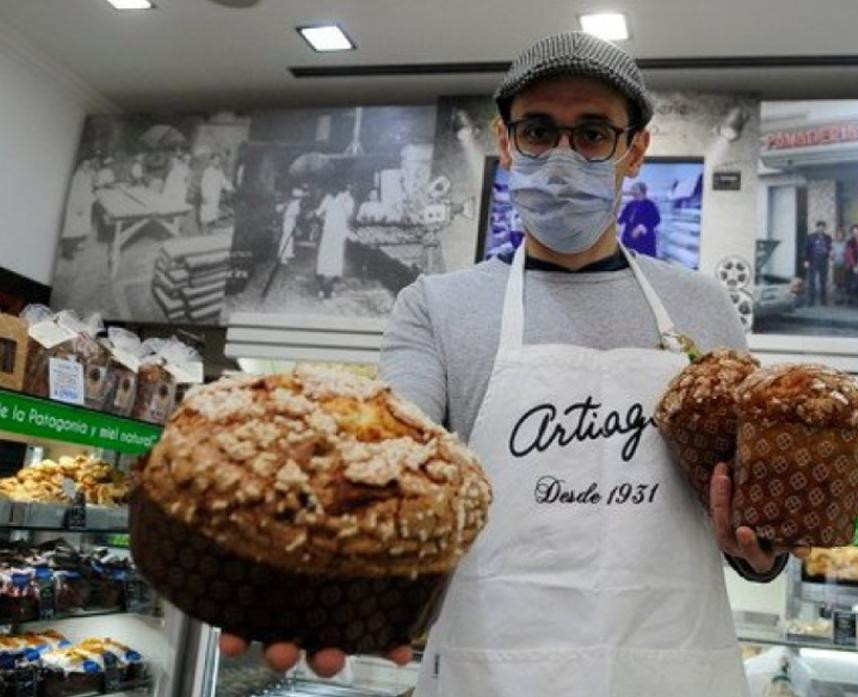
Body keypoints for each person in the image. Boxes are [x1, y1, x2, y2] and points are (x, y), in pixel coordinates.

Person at [219, 31, 801, 695]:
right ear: (506, 142)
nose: (561, 155)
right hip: (492, 670)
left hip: (667, 667)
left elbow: (750, 509)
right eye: (538, 131)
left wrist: (762, 548)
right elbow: (388, 460)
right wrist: (330, 558)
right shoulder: (438, 307)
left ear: (634, 149)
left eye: (591, 134)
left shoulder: (704, 309)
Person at [314, 183, 355, 298]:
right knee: (324, 261)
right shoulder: (329, 198)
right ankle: (322, 288)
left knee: (335, 261)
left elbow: (349, 215)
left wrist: (344, 201)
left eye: (346, 188)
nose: (342, 191)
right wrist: (317, 215)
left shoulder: (348, 200)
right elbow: (319, 212)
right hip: (328, 233)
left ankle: (331, 289)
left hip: (339, 234)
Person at [60, 159, 95, 259]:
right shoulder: (77, 176)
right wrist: (78, 206)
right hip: (76, 205)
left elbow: (88, 190)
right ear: (80, 165)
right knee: (71, 227)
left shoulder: (87, 176)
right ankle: (66, 252)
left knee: (80, 227)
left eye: (88, 165)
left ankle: (75, 246)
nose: (87, 167)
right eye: (85, 165)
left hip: (85, 205)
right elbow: (75, 192)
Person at [618, 181, 661, 256]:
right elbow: (622, 218)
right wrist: (616, 225)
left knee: (644, 261)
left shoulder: (650, 205)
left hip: (644, 239)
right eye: (632, 189)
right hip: (629, 238)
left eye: (634, 189)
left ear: (641, 191)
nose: (632, 191)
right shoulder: (630, 204)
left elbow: (656, 220)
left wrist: (642, 227)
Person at [199, 153, 233, 229]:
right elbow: (203, 184)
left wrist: (230, 187)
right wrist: (204, 195)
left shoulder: (219, 171)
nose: (217, 162)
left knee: (213, 212)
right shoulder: (207, 171)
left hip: (215, 195)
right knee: (205, 212)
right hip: (208, 195)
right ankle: (203, 229)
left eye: (218, 160)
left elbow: (224, 181)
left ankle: (212, 228)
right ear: (211, 161)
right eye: (216, 160)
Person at [803, 220, 832, 306]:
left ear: (824, 228)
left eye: (823, 227)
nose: (821, 229)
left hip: (823, 260)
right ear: (817, 227)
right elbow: (805, 249)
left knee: (823, 281)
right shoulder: (810, 237)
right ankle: (811, 301)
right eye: (819, 227)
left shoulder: (827, 237)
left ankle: (823, 301)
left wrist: (830, 257)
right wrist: (806, 260)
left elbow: (829, 248)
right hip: (813, 260)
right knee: (812, 281)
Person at [277, 188, 304, 265]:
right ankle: (282, 256)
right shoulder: (292, 204)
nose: (301, 199)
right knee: (286, 237)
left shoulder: (295, 203)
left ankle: (289, 253)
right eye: (300, 197)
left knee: (290, 238)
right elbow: (292, 214)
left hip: (291, 221)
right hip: (288, 221)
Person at [845, 224, 858, 305]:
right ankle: (852, 299)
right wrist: (854, 266)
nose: (855, 233)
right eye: (854, 232)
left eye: (857, 231)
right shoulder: (850, 242)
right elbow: (849, 255)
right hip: (853, 266)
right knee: (853, 283)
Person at [831, 226, 848, 305]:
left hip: (844, 265)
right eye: (838, 234)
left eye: (841, 234)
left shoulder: (845, 244)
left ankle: (843, 299)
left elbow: (847, 254)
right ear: (836, 235)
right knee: (837, 283)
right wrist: (832, 257)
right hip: (836, 265)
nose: (840, 236)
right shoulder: (833, 244)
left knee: (843, 283)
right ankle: (837, 299)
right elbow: (831, 254)